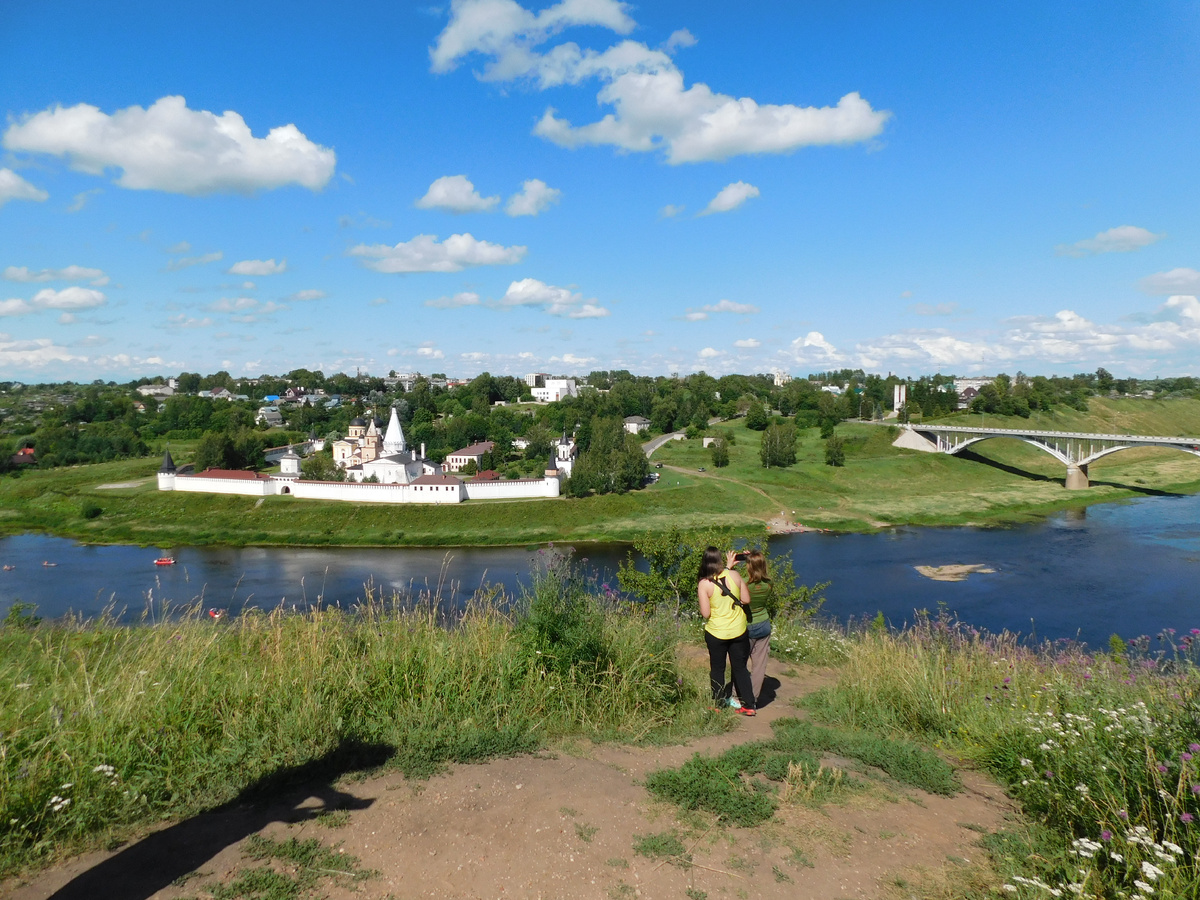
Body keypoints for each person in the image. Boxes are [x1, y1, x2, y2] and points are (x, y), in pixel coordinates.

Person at [696, 546, 755, 717]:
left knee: (717, 668)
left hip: (717, 632)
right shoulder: (734, 575)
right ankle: (749, 705)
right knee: (740, 668)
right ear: (721, 560)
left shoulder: (704, 584)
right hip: (738, 630)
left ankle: (719, 704)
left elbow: (706, 613)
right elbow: (746, 599)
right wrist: (729, 568)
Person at [736, 549, 773, 705]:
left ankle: (738, 696)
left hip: (747, 626)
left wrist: (732, 567)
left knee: (740, 663)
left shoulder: (743, 583)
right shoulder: (769, 584)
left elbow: (728, 584)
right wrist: (754, 559)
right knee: (759, 666)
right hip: (764, 624)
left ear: (749, 566)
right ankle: (754, 698)